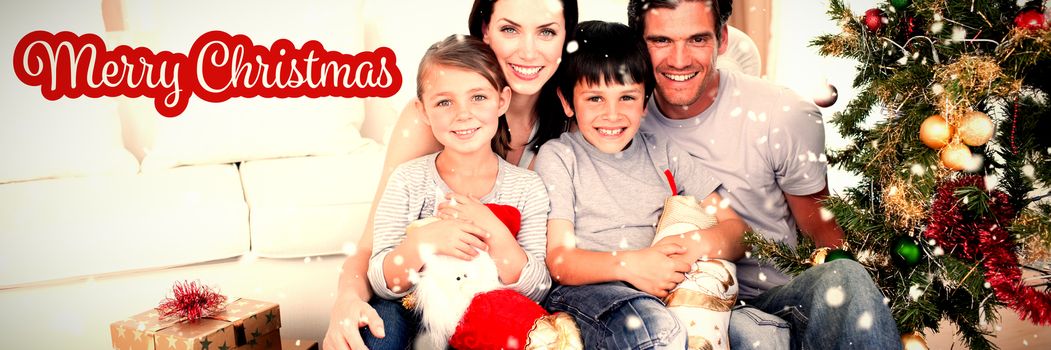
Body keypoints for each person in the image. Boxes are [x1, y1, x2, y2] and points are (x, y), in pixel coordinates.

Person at [627, 1, 902, 349]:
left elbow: (822, 228)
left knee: (841, 279)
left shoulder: (781, 114)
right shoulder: (616, 121)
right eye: (661, 40)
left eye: (697, 39)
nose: (679, 60)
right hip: (666, 308)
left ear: (722, 39)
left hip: (772, 302)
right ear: (638, 43)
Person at [323, 1, 578, 349]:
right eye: (510, 29)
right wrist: (346, 303)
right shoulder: (423, 136)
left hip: (505, 303)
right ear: (485, 29)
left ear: (565, 37)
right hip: (416, 299)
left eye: (546, 31)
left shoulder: (583, 115)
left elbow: (537, 278)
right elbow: (374, 253)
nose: (529, 50)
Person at [534, 20, 748, 349]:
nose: (612, 114)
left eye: (627, 98)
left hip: (661, 288)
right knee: (653, 328)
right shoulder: (560, 156)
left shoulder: (664, 153)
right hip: (590, 293)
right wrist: (633, 265)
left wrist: (694, 245)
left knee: (753, 333)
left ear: (645, 102)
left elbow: (738, 232)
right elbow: (560, 260)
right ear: (566, 101)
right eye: (594, 99)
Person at [363, 34, 552, 349]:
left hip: (487, 312)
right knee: (383, 324)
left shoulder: (527, 187)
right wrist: (424, 243)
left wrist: (495, 232)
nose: (463, 114)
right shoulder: (409, 179)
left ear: (502, 100)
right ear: (423, 111)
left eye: (478, 97)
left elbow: (538, 288)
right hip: (415, 307)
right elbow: (383, 283)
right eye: (444, 102)